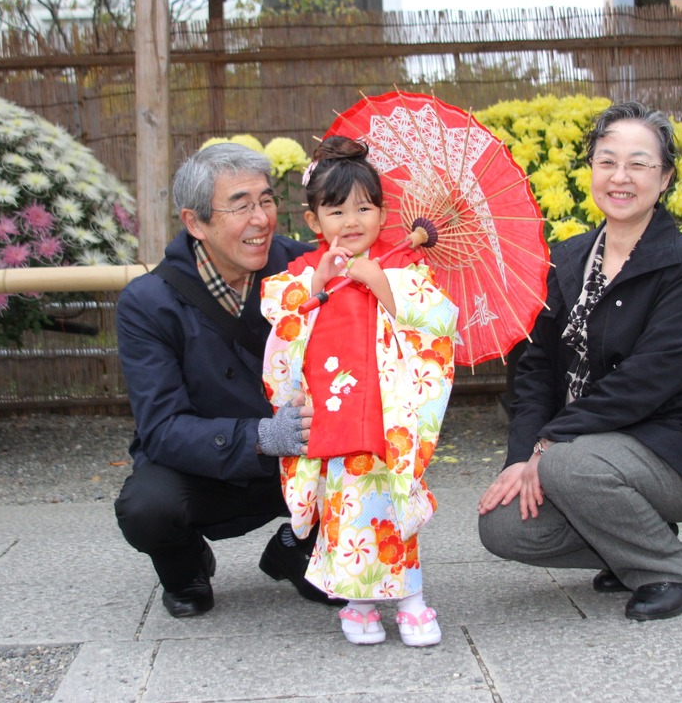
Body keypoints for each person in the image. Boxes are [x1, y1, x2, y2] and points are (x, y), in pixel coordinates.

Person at [477, 101, 682, 621]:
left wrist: (548, 446)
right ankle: (632, 545)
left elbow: (649, 380)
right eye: (607, 161)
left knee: (568, 465)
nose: (620, 177)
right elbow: (534, 371)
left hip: (675, 445)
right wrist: (519, 459)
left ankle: (669, 567)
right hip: (584, 451)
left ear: (664, 178)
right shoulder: (565, 258)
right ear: (592, 169)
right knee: (503, 525)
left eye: (639, 163)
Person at [114, 142, 344, 618]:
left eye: (265, 201)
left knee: (379, 449)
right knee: (147, 505)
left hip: (300, 458)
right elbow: (162, 428)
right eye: (241, 205)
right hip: (207, 469)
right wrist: (261, 436)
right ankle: (186, 565)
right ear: (195, 222)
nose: (261, 219)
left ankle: (298, 549)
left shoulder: (309, 270)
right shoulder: (148, 302)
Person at [260, 136, 457, 647]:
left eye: (365, 208)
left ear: (384, 214)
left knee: (392, 509)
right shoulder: (303, 273)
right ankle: (359, 603)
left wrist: (383, 285)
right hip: (333, 417)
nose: (351, 220)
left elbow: (436, 326)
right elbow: (280, 324)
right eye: (336, 209)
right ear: (313, 221)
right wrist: (316, 286)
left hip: (387, 417)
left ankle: (411, 599)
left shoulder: (403, 269)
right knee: (343, 509)